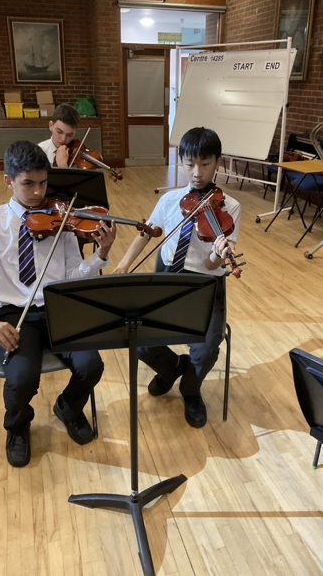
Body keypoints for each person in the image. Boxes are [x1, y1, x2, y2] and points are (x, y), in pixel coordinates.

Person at [0, 141, 116, 468]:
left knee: (91, 365)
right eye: (28, 183)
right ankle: (17, 426)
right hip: (13, 313)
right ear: (9, 181)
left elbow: (71, 275)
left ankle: (68, 407)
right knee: (21, 378)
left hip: (57, 306)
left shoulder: (61, 219)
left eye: (43, 183)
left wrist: (100, 255)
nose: (37, 192)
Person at [113, 127, 241, 428]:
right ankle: (171, 368)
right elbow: (147, 234)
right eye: (189, 164)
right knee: (139, 339)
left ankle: (190, 389)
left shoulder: (229, 207)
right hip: (169, 277)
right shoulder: (171, 200)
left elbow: (211, 265)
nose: (197, 173)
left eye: (205, 164)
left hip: (205, 284)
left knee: (207, 348)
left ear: (218, 162)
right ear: (180, 161)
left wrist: (218, 254)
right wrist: (123, 264)